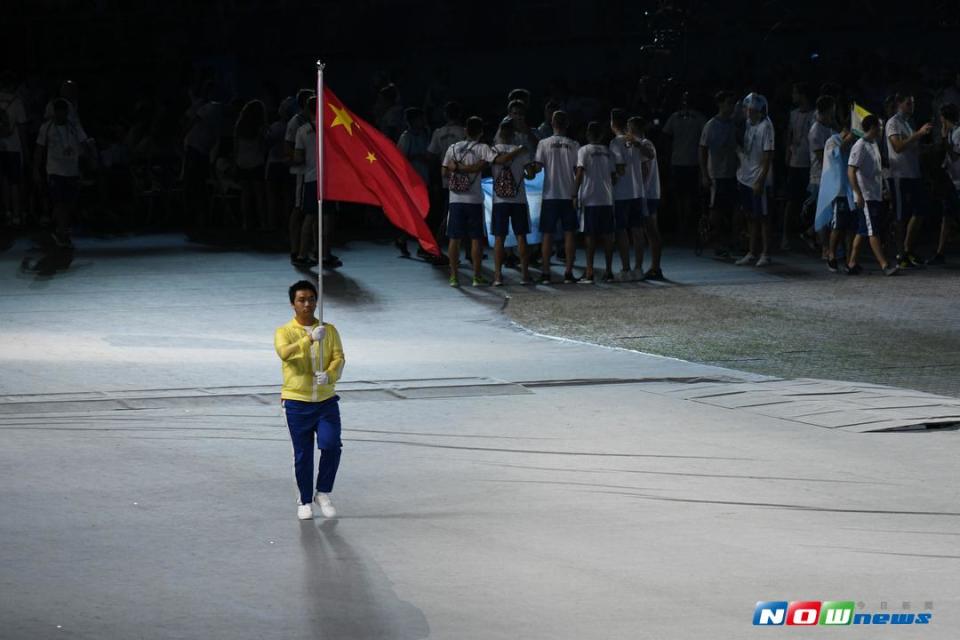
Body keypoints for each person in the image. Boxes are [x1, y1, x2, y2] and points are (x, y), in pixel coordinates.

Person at [274, 280, 346, 520]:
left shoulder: (330, 330)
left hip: (325, 401)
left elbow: (339, 357)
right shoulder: (284, 332)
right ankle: (304, 500)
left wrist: (330, 375)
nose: (307, 304)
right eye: (301, 300)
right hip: (297, 402)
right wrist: (310, 339)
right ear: (292, 304)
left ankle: (322, 492)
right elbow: (285, 353)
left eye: (311, 299)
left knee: (331, 445)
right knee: (303, 453)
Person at [442, 116, 519, 287]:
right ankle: (477, 277)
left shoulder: (453, 148)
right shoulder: (483, 148)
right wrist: (518, 150)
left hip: (455, 200)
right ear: (481, 132)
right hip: (474, 200)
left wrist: (458, 168)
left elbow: (444, 172)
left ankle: (454, 276)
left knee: (454, 239)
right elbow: (499, 160)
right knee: (476, 239)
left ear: (465, 131)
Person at [34, 98, 92, 248]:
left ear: (66, 113)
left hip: (71, 171)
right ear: (54, 113)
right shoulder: (46, 128)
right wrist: (36, 169)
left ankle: (61, 227)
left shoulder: (74, 127)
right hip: (54, 171)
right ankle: (62, 233)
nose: (61, 115)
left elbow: (84, 144)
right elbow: (39, 149)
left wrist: (88, 159)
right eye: (58, 112)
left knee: (69, 203)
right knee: (59, 202)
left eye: (63, 112)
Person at [885, 92, 933, 267]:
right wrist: (919, 134)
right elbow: (897, 147)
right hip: (899, 175)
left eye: (912, 104)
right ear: (899, 104)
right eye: (908, 104)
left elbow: (912, 147)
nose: (911, 107)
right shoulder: (893, 123)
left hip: (914, 173)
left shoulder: (907, 123)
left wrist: (927, 148)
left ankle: (907, 249)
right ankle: (900, 253)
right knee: (900, 216)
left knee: (919, 212)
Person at [847, 115, 899, 276]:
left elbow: (877, 170)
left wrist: (884, 189)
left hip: (875, 194)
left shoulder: (873, 144)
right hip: (866, 196)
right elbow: (851, 171)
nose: (882, 129)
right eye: (880, 126)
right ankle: (884, 265)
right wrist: (858, 194)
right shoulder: (860, 146)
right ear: (873, 127)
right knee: (872, 231)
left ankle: (852, 262)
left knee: (863, 230)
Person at [533, 110, 580, 283]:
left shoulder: (543, 144)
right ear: (567, 124)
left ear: (552, 124)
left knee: (547, 235)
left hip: (550, 195)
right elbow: (578, 170)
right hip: (569, 194)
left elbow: (537, 169)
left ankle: (546, 273)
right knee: (569, 234)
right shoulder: (574, 145)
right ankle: (568, 272)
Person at [490, 117, 535, 285]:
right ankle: (524, 275)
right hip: (519, 200)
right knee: (521, 237)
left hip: (499, 200)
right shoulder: (521, 151)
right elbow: (531, 175)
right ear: (513, 135)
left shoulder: (493, 150)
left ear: (500, 133)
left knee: (499, 238)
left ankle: (497, 276)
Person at [734, 93, 775, 267]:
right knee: (750, 215)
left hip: (759, 178)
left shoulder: (766, 126)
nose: (745, 111)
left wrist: (761, 179)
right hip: (746, 176)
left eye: (747, 108)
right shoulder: (748, 124)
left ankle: (765, 253)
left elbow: (768, 155)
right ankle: (752, 252)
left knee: (763, 216)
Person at [574, 121, 616, 283]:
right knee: (607, 236)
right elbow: (614, 176)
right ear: (602, 135)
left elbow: (579, 174)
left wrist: (573, 194)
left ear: (588, 134)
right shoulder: (608, 152)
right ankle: (609, 271)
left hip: (590, 198)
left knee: (590, 236)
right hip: (606, 198)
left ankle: (590, 271)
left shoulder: (583, 151)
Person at [699, 90, 740, 256]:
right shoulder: (711, 125)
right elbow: (702, 150)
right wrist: (704, 174)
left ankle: (733, 240)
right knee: (716, 210)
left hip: (733, 173)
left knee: (735, 209)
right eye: (729, 103)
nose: (731, 107)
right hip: (717, 174)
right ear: (720, 104)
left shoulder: (732, 124)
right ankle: (715, 241)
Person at [662, 92, 706, 237]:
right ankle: (682, 223)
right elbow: (667, 137)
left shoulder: (679, 117)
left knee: (683, 195)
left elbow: (666, 137)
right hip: (683, 161)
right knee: (682, 195)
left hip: (687, 162)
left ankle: (684, 223)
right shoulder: (695, 118)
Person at [610, 108, 645, 279]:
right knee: (638, 231)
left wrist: (612, 178)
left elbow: (620, 167)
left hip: (622, 194)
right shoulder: (636, 140)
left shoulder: (616, 143)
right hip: (637, 191)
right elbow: (647, 160)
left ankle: (625, 269)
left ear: (613, 123)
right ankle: (639, 268)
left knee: (622, 231)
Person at [629, 116, 665, 279]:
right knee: (647, 230)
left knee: (651, 231)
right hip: (647, 193)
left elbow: (648, 156)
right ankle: (652, 266)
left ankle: (656, 267)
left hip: (648, 194)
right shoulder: (640, 145)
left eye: (630, 128)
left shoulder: (645, 143)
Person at [805, 95, 840, 254]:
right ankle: (825, 248)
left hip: (831, 176)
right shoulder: (816, 130)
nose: (834, 113)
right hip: (819, 177)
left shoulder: (830, 127)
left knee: (830, 213)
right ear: (825, 111)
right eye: (832, 110)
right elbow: (821, 156)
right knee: (823, 213)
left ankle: (811, 233)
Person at [285, 89, 316, 266]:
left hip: (312, 172)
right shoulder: (296, 123)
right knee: (299, 210)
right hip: (302, 174)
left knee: (312, 213)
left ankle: (311, 249)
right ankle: (295, 249)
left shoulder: (315, 123)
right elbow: (288, 148)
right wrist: (300, 159)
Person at [396, 107, 432, 257]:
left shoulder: (424, 134)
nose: (423, 121)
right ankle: (420, 246)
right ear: (412, 121)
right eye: (420, 118)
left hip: (423, 178)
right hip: (412, 182)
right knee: (418, 214)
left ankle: (402, 239)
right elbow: (399, 159)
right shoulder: (406, 137)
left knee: (422, 214)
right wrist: (416, 157)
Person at [783, 83, 815, 250]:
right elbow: (789, 135)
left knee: (809, 201)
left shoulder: (814, 115)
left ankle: (809, 233)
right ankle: (785, 236)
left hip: (809, 163)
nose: (792, 96)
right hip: (796, 162)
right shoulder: (793, 114)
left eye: (795, 92)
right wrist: (787, 154)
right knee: (791, 200)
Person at [930, 103, 960, 264]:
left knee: (950, 217)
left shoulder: (958, 133)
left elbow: (955, 156)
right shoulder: (950, 133)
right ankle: (940, 253)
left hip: (959, 183)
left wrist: (943, 139)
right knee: (946, 218)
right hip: (952, 181)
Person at [234, 99, 267, 231]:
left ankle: (246, 223)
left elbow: (235, 146)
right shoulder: (260, 127)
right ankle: (263, 222)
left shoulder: (239, 125)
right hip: (256, 161)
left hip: (242, 161)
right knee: (259, 195)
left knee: (245, 195)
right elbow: (263, 146)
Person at [0, 71, 28, 227]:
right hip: (13, 147)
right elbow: (22, 128)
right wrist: (26, 150)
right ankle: (17, 214)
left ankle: (7, 212)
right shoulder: (17, 102)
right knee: (14, 182)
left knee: (3, 180)